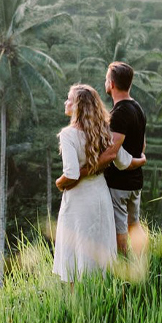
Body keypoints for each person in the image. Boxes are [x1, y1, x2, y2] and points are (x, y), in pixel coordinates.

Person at [52, 84, 145, 282]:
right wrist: (142, 160)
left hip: (78, 198)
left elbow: (70, 173)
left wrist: (59, 183)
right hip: (100, 195)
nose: (65, 102)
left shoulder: (68, 135)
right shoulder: (103, 131)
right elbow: (123, 161)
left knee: (75, 251)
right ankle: (100, 295)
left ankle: (77, 303)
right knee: (99, 249)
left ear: (78, 106)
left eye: (69, 99)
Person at [99, 62, 147, 256]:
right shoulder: (138, 108)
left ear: (111, 84)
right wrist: (139, 160)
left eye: (106, 79)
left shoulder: (119, 113)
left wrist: (90, 168)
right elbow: (142, 145)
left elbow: (112, 152)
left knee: (119, 230)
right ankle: (144, 259)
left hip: (120, 184)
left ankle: (125, 270)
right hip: (135, 181)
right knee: (134, 224)